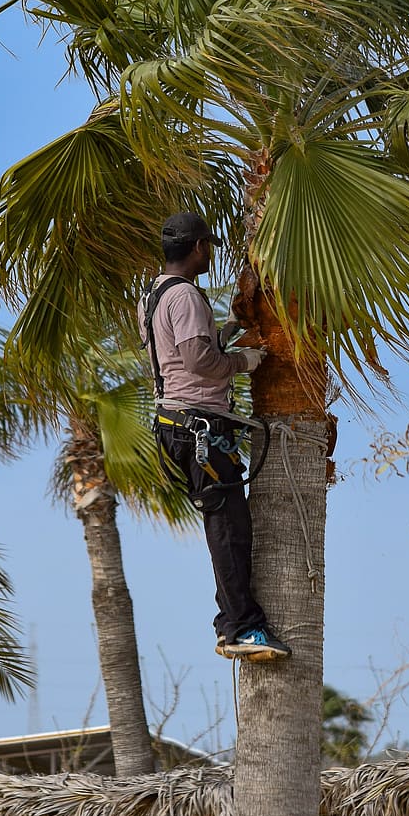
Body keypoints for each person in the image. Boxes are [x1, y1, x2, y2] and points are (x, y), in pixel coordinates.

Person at [140, 212, 291, 661]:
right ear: (200, 246)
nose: (212, 252)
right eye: (210, 245)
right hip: (198, 428)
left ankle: (232, 624)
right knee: (229, 531)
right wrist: (245, 362)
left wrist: (224, 332)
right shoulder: (185, 295)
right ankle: (242, 628)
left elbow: (180, 350)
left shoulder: (155, 292)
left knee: (226, 527)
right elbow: (198, 362)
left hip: (176, 426)